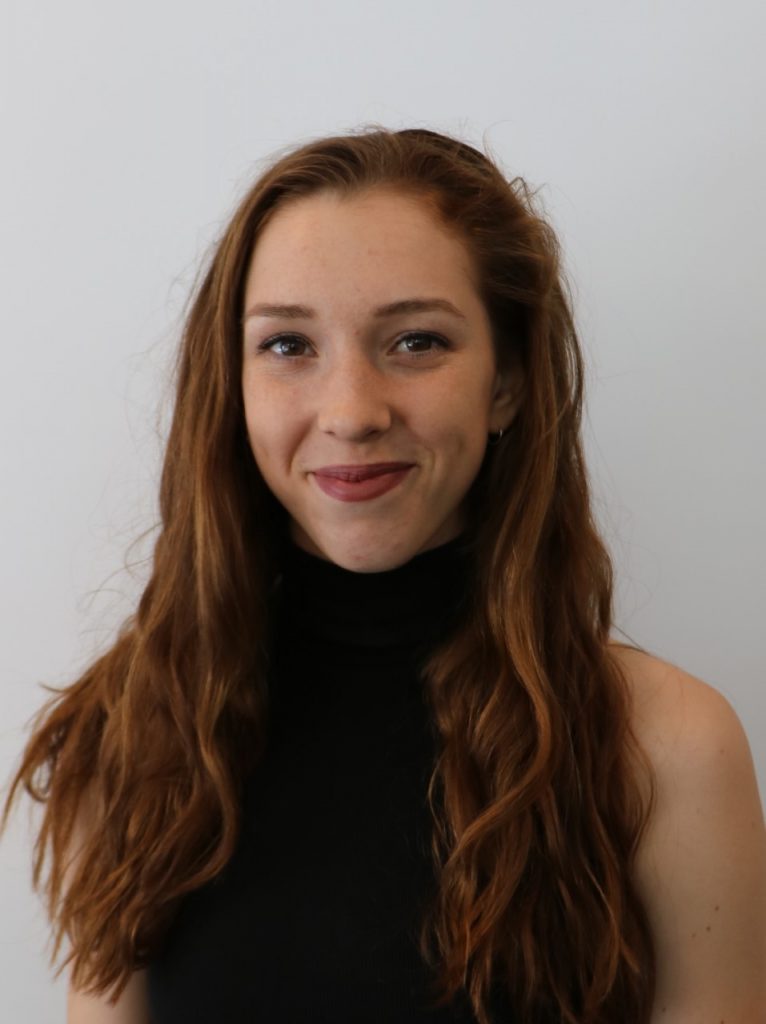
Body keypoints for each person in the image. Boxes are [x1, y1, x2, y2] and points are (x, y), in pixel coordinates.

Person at [2, 126, 764, 1024]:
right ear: (232, 386)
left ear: (508, 384)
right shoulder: (135, 733)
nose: (352, 412)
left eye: (415, 341)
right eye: (288, 345)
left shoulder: (666, 747)